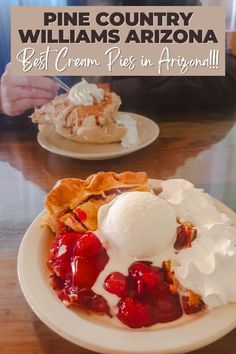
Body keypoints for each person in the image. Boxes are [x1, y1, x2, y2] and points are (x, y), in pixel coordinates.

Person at [1, 0, 236, 117]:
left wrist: (107, 93)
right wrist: (3, 100)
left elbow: (227, 77)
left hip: (151, 161)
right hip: (54, 166)